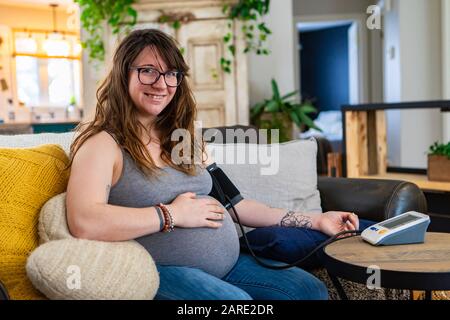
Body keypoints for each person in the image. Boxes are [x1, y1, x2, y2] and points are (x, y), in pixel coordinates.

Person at [66, 29, 361, 300]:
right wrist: (171, 215)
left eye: (172, 74)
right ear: (122, 74)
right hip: (156, 270)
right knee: (236, 304)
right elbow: (84, 221)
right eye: (147, 71)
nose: (162, 84)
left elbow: (237, 206)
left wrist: (317, 220)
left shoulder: (184, 139)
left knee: (309, 290)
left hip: (229, 264)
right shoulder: (103, 144)